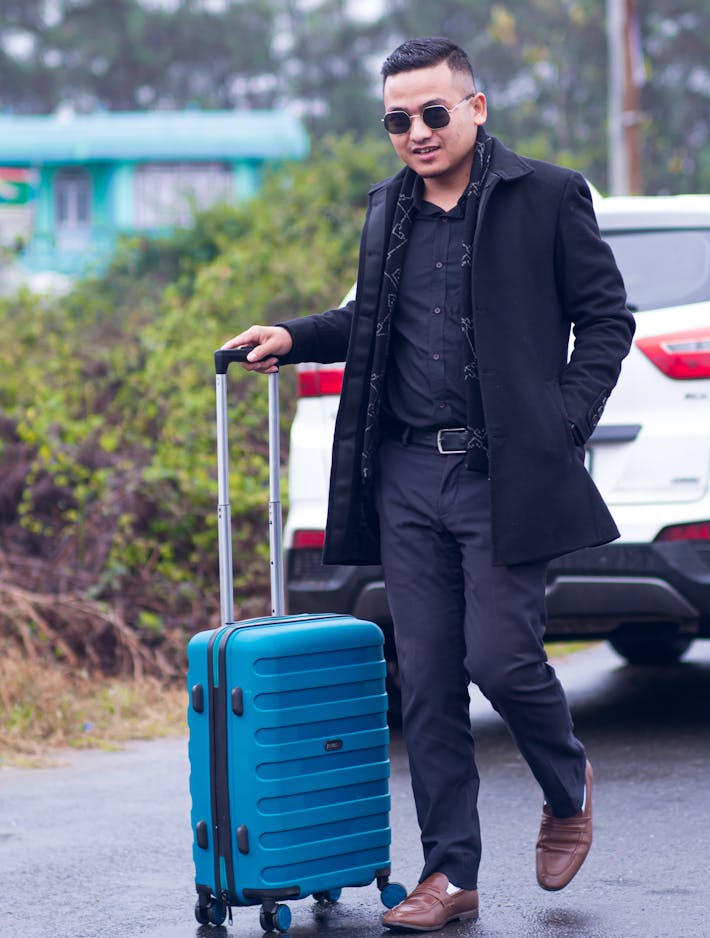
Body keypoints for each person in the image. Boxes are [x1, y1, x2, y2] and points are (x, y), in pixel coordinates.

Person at [223, 37, 635, 933]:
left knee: (501, 659)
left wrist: (561, 422)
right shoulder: (386, 212)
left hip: (502, 472)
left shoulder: (549, 196)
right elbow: (366, 321)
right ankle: (450, 874)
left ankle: (568, 785)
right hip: (407, 473)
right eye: (398, 120)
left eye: (433, 113)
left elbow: (607, 318)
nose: (416, 132)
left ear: (476, 107)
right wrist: (293, 336)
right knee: (428, 683)